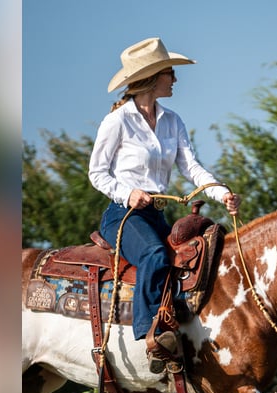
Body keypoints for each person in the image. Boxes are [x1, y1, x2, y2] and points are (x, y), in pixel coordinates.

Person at [88, 37, 241, 374]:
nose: (175, 79)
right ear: (154, 77)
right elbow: (97, 173)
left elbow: (192, 168)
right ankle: (151, 335)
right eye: (170, 72)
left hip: (156, 215)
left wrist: (222, 192)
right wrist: (128, 194)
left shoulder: (173, 121)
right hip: (123, 215)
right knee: (156, 255)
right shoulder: (117, 122)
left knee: (192, 258)